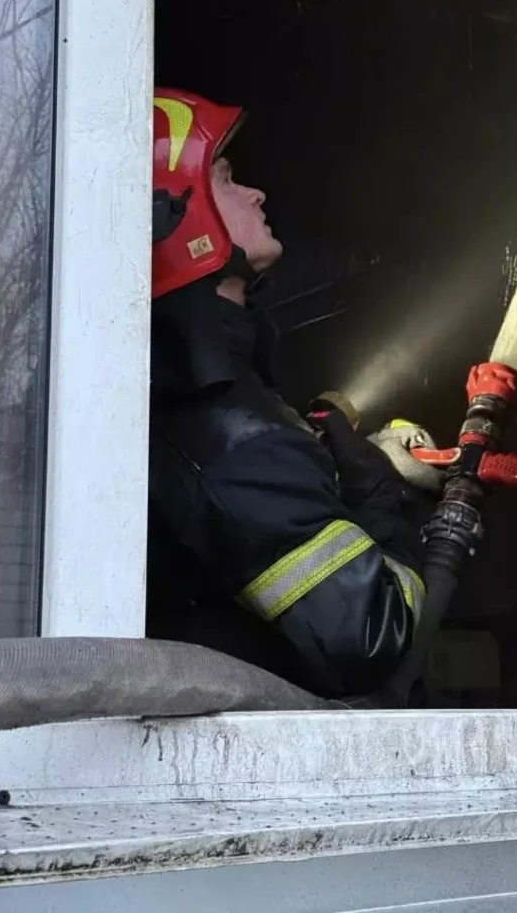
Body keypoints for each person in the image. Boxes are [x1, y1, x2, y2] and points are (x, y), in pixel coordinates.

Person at [146, 87, 440, 700]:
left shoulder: (208, 403)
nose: (256, 193)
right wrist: (379, 494)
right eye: (227, 179)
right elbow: (369, 638)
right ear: (183, 214)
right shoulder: (231, 440)